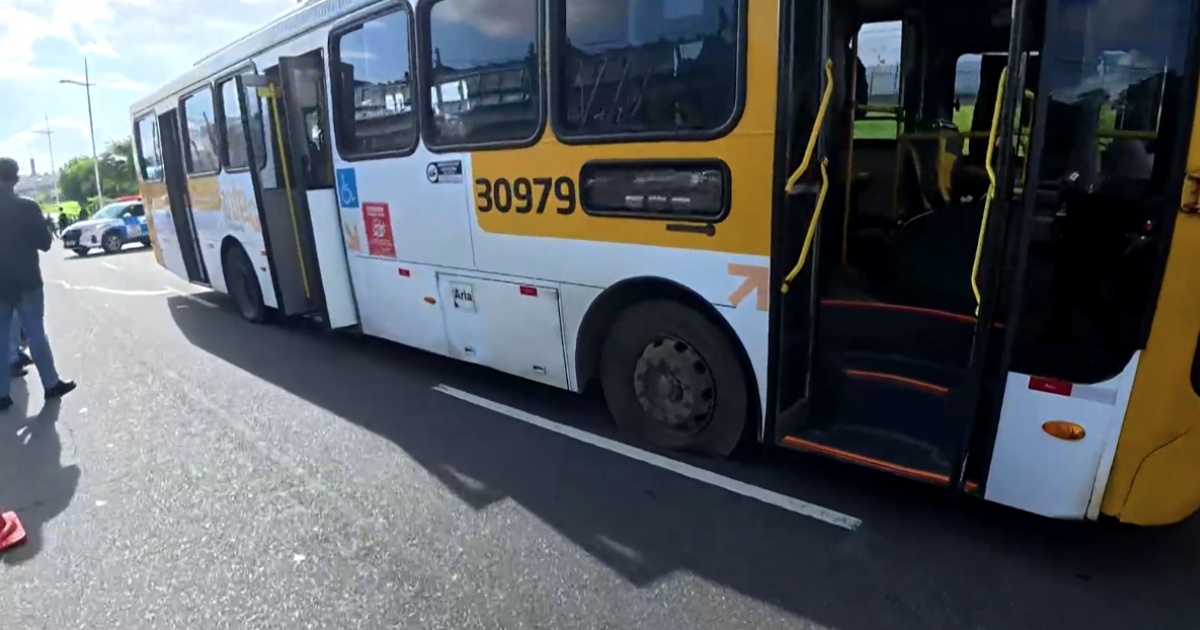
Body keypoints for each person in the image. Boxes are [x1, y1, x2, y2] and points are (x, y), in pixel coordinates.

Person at [0, 157, 75, 410]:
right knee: (35, 333)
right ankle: (51, 384)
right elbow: (45, 243)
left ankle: (1, 395)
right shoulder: (28, 207)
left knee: (1, 338)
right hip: (27, 280)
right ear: (16, 179)